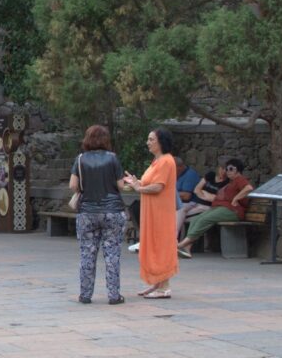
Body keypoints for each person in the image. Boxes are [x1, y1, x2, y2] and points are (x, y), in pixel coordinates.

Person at [69, 125, 127, 304]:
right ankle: (114, 295)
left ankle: (85, 294)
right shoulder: (113, 158)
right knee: (112, 254)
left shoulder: (80, 159)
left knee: (87, 253)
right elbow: (121, 186)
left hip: (87, 212)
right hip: (112, 211)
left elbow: (72, 185)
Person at [123, 129, 178, 298]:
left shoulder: (166, 161)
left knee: (160, 245)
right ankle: (158, 283)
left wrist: (139, 188)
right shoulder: (156, 161)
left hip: (160, 212)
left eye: (151, 139)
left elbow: (158, 187)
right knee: (154, 244)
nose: (148, 142)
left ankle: (164, 287)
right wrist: (136, 182)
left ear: (161, 142)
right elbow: (149, 184)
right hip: (152, 211)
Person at [178, 159, 254, 258]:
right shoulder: (232, 182)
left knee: (205, 220)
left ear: (238, 170)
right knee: (196, 219)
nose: (228, 171)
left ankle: (181, 245)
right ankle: (187, 248)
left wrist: (236, 198)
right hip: (221, 208)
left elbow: (248, 188)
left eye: (231, 169)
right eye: (227, 169)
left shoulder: (240, 179)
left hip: (232, 211)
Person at [129, 156, 201, 251]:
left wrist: (166, 192)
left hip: (188, 202)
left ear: (179, 167)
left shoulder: (190, 175)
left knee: (175, 211)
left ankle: (170, 240)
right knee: (138, 206)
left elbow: (186, 195)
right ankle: (148, 240)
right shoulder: (173, 173)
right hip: (172, 200)